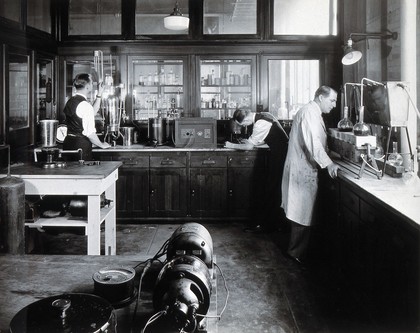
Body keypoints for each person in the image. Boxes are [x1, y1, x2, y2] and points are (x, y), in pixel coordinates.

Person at [281, 85, 340, 264]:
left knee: (304, 213)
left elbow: (318, 141)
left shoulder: (313, 113)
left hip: (305, 169)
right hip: (302, 171)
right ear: (321, 98)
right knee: (301, 214)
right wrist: (329, 163)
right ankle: (295, 253)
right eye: (332, 100)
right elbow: (313, 142)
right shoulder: (308, 113)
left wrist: (331, 155)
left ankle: (299, 252)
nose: (334, 105)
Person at [225, 109, 289, 233]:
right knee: (271, 189)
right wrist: (251, 142)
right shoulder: (264, 115)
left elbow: (248, 146)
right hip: (280, 155)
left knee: (272, 190)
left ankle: (269, 225)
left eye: (242, 125)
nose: (243, 127)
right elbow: (266, 137)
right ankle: (269, 224)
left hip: (281, 157)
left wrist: (230, 145)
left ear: (246, 119)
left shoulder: (260, 123)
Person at [63, 73, 110, 160]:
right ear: (87, 86)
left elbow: (91, 113)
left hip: (68, 144)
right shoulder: (85, 105)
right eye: (91, 83)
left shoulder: (70, 101)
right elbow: (90, 134)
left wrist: (99, 94)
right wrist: (102, 144)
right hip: (80, 147)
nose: (93, 85)